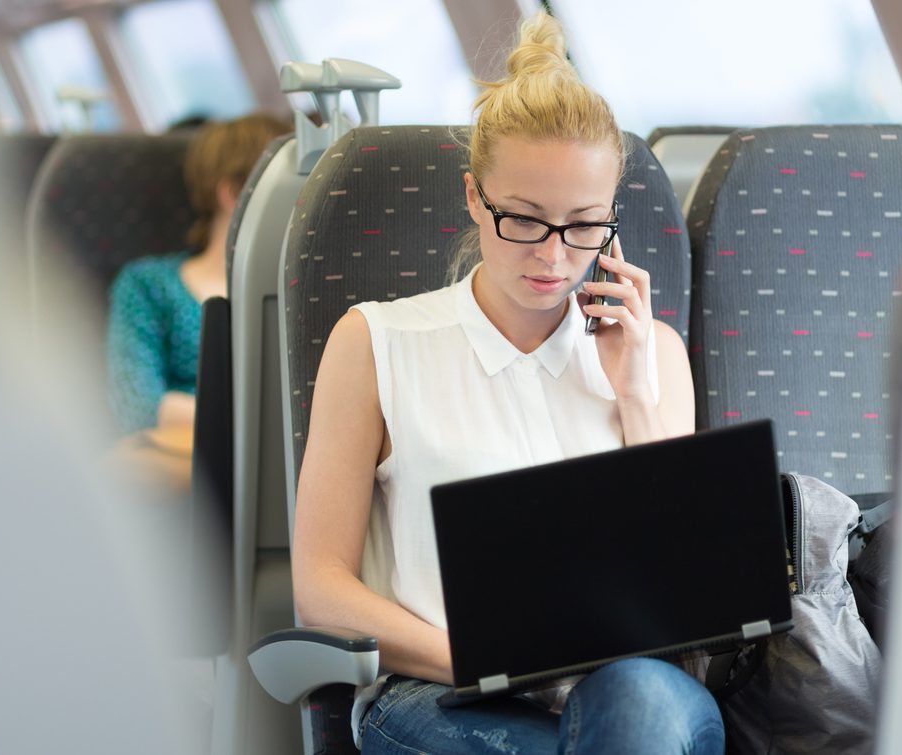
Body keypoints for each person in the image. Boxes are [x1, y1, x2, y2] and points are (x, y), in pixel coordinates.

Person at [292, 11, 721, 755]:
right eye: (523, 219)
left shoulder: (652, 354)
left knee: (639, 700)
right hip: (441, 688)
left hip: (625, 689)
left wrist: (637, 399)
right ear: (472, 198)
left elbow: (678, 596)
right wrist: (485, 656)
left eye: (584, 225)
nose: (555, 257)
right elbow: (321, 588)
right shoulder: (376, 343)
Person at [105, 112, 291, 495]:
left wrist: (186, 410)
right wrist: (262, 428)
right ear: (233, 193)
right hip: (190, 471)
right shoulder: (148, 285)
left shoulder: (306, 286)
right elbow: (138, 407)